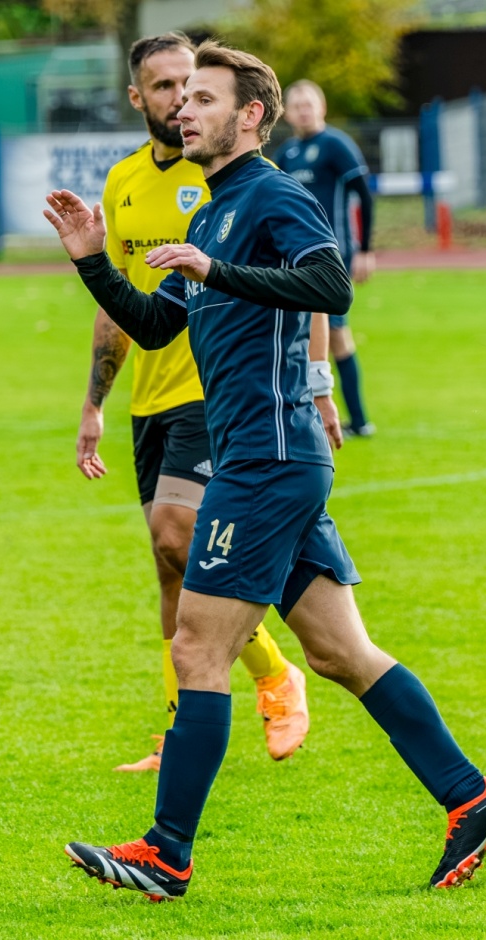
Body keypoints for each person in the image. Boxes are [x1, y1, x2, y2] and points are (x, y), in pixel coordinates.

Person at [44, 41, 486, 900]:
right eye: (179, 97)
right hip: (269, 458)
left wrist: (217, 270)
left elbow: (331, 283)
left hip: (264, 461)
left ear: (250, 115)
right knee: (340, 653)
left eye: (203, 98)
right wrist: (89, 258)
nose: (183, 109)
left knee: (197, 645)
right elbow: (154, 326)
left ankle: (165, 852)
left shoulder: (269, 193)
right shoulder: (209, 212)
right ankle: (471, 797)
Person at [80, 32, 317, 772]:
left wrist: (318, 382)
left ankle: (271, 678)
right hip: (150, 396)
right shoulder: (127, 183)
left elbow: (314, 283)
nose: (180, 102)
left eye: (193, 89)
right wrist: (94, 400)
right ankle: (181, 728)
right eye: (166, 89)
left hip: (216, 396)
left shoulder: (240, 181)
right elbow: (132, 312)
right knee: (170, 565)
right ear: (137, 97)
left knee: (177, 537)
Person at [275, 80, 376, 436]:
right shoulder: (286, 154)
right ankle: (320, 414)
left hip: (333, 256)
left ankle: (357, 420)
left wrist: (365, 250)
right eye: (297, 105)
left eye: (309, 104)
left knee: (335, 334)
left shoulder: (335, 144)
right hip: (294, 256)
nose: (304, 111)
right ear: (286, 113)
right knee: (304, 334)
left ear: (322, 107)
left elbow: (365, 196)